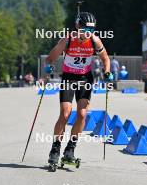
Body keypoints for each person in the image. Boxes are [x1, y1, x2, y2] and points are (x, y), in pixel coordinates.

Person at [44, 12, 113, 167]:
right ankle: (55, 148)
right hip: (68, 78)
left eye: (91, 30)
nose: (88, 33)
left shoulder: (95, 41)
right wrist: (48, 67)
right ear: (77, 27)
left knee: (82, 115)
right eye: (85, 30)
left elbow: (106, 59)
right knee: (65, 113)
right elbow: (49, 59)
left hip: (85, 79)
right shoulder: (67, 39)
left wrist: (107, 72)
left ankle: (70, 149)